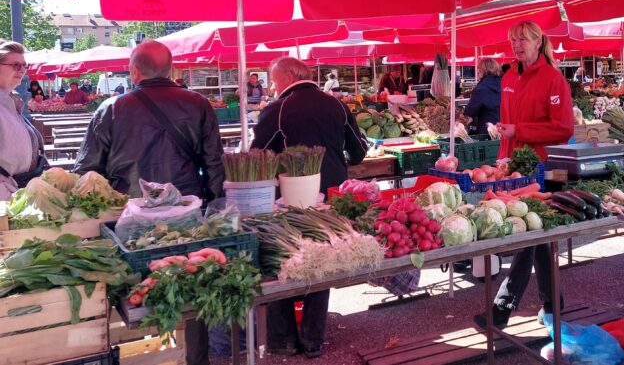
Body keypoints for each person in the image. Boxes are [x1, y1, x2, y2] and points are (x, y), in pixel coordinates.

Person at [74, 40, 224, 365]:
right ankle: (195, 358)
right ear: (171, 70)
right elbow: (214, 163)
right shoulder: (198, 104)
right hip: (187, 215)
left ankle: (143, 356)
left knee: (134, 289)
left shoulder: (110, 108)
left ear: (133, 71)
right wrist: (211, 205)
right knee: (189, 282)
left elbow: (86, 170)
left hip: (128, 218)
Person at [253, 57, 366, 358]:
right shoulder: (337, 105)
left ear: (288, 77)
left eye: (274, 79)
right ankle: (313, 339)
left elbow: (257, 157)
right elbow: (359, 151)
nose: (272, 85)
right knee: (320, 259)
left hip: (288, 200)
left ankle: (284, 339)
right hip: (332, 195)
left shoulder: (277, 110)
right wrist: (335, 161)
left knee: (282, 259)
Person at [475, 21, 573, 331]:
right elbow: (509, 124)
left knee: (530, 235)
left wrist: (521, 131)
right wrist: (502, 157)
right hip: (514, 167)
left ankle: (502, 308)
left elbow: (563, 128)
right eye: (513, 40)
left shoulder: (553, 79)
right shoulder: (508, 76)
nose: (517, 45)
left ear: (537, 41)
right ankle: (553, 305)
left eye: (523, 40)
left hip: (545, 168)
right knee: (537, 236)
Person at [0, 41, 48, 199]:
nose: (22, 70)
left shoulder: (11, 103)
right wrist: (9, 199)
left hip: (20, 196)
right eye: (15, 65)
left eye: (24, 66)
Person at [464, 58, 502, 135]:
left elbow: (470, 111)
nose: (478, 72)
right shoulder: (505, 83)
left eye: (479, 70)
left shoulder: (481, 88)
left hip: (487, 130)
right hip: (504, 128)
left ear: (483, 70)